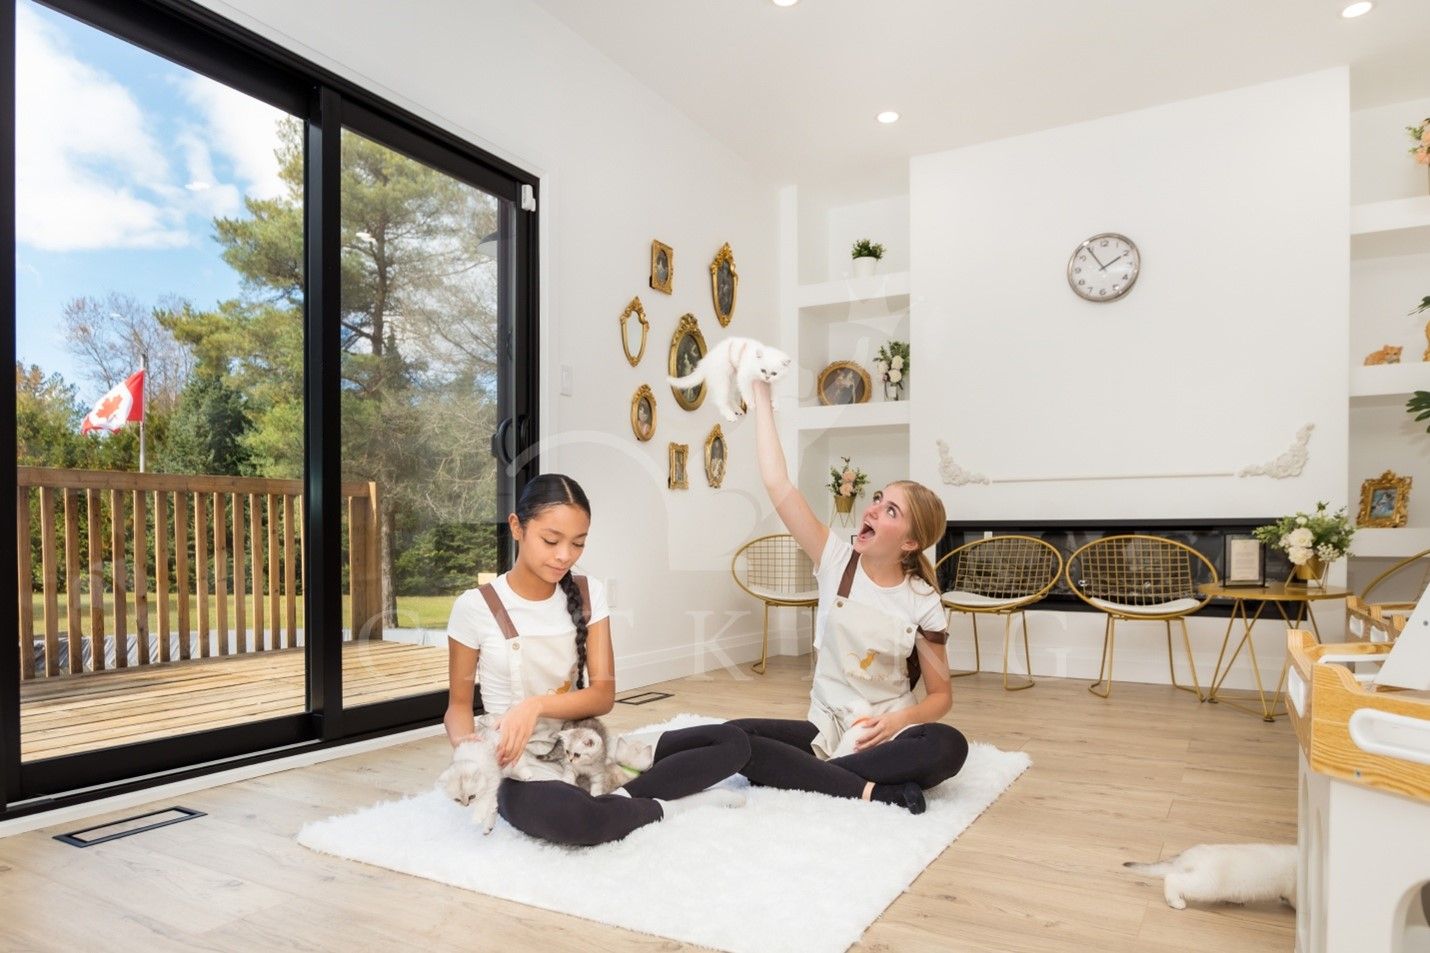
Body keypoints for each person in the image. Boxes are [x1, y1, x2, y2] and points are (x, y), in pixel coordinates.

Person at [445, 473, 748, 845]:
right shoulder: (474, 607)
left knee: (732, 742)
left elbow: (603, 695)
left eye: (578, 544)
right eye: (551, 540)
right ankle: (668, 805)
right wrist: (470, 755)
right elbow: (457, 707)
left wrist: (535, 706)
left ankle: (614, 802)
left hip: (585, 745)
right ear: (517, 527)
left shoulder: (589, 594)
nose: (564, 556)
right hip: (517, 763)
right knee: (574, 818)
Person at [729, 380, 969, 814]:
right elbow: (776, 480)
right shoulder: (835, 559)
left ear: (911, 543)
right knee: (734, 737)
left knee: (948, 745)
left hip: (885, 731)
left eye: (890, 510)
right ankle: (874, 789)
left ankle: (827, 776)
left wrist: (895, 721)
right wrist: (762, 398)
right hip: (828, 725)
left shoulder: (923, 600)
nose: (873, 509)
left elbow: (940, 698)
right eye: (878, 499)